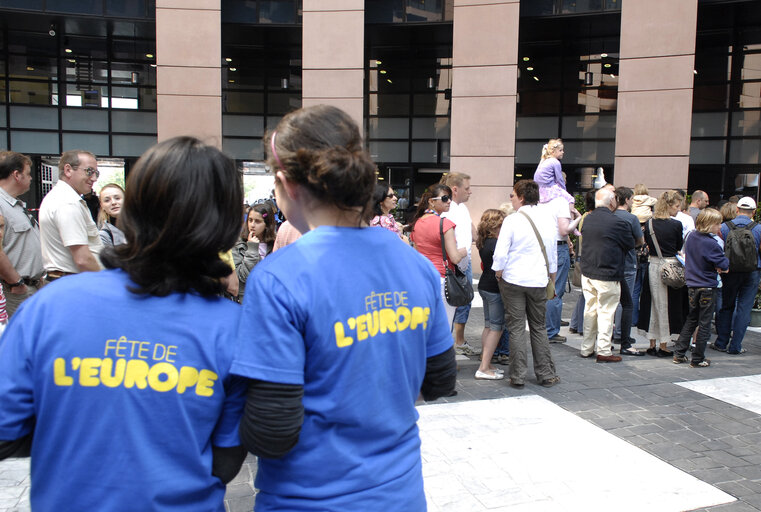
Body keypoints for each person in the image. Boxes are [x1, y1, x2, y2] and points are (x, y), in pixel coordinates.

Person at [0, 136, 248, 510]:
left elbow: (6, 429)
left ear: (134, 210)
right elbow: (224, 461)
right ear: (226, 225)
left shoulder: (51, 306)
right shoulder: (236, 328)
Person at [232, 105, 457, 511]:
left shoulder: (279, 277)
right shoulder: (415, 265)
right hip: (399, 492)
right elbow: (439, 381)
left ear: (285, 184)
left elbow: (271, 433)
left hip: (310, 499)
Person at [493, 179, 560, 388]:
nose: (511, 199)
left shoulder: (512, 220)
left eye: (513, 195)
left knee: (516, 327)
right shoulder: (548, 218)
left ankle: (518, 375)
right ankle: (546, 374)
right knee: (538, 327)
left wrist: (498, 272)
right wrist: (552, 277)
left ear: (521, 197)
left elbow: (501, 252)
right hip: (539, 279)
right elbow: (552, 251)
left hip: (513, 278)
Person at [578, 188, 636, 362]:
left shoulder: (587, 219)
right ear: (612, 202)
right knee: (606, 312)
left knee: (590, 310)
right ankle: (603, 350)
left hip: (588, 272)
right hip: (607, 272)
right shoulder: (617, 222)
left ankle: (587, 348)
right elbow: (630, 244)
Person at [673, 208, 728, 368]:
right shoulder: (711, 243)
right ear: (709, 224)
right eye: (717, 224)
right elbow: (724, 264)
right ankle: (697, 358)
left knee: (692, 319)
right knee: (704, 323)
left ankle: (679, 353)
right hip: (707, 285)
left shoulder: (691, 236)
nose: (719, 227)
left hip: (692, 284)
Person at [39, 150, 103, 281]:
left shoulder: (63, 197)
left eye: (96, 173)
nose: (94, 178)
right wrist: (107, 282)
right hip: (73, 281)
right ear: (68, 170)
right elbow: (83, 259)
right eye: (89, 171)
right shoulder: (68, 202)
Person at [411, 183, 467, 329]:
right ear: (431, 201)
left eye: (449, 198)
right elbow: (454, 258)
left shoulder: (418, 223)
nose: (449, 201)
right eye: (444, 198)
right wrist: (463, 251)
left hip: (422, 279)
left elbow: (416, 253)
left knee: (426, 326)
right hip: (442, 280)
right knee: (444, 328)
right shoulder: (445, 224)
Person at [637, 190, 685, 357]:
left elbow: (647, 244)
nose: (678, 209)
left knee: (651, 303)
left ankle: (651, 343)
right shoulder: (676, 225)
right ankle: (664, 345)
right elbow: (679, 246)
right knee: (667, 305)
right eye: (677, 206)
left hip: (653, 264)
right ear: (669, 205)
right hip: (670, 265)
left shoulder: (649, 223)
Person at [711, 196, 761, 355]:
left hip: (729, 271)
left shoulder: (724, 227)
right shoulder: (759, 228)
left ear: (737, 209)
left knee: (727, 306)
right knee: (744, 308)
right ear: (753, 212)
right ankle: (735, 346)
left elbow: (717, 250)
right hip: (753, 271)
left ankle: (721, 342)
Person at [0, 151, 44, 316]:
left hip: (31, 286)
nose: (31, 178)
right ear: (16, 175)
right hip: (17, 291)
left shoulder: (15, 205)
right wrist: (16, 282)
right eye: (28, 174)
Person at [440, 172, 478, 355]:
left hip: (464, 261)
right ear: (455, 189)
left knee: (464, 300)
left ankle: (458, 341)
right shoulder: (448, 210)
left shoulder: (461, 208)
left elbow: (471, 229)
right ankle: (452, 343)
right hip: (455, 263)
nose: (470, 192)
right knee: (455, 302)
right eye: (467, 188)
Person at [475, 208, 508, 380]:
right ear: (495, 225)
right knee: (496, 327)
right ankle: (483, 368)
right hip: (495, 288)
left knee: (489, 325)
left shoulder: (483, 242)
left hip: (484, 285)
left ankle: (486, 362)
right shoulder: (496, 244)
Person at [612, 186, 645, 355]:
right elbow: (639, 240)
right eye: (631, 199)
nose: (632, 202)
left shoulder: (610, 216)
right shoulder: (631, 219)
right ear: (626, 200)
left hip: (612, 263)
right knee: (627, 303)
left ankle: (609, 334)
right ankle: (622, 337)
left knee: (611, 302)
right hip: (628, 263)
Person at [232, 203, 275, 301]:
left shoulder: (274, 244)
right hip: (247, 298)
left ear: (267, 224)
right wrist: (252, 249)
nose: (252, 225)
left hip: (268, 298)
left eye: (258, 221)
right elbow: (241, 277)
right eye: (250, 220)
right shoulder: (239, 244)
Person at [533, 138, 574, 204]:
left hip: (540, 190)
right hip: (549, 189)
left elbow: (536, 177)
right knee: (570, 199)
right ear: (553, 152)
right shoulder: (555, 162)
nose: (563, 152)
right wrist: (564, 191)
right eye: (560, 150)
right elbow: (560, 179)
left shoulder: (544, 161)